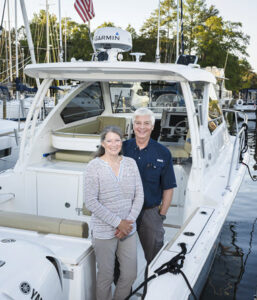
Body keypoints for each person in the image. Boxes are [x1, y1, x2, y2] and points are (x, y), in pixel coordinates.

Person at [84, 125, 144, 300]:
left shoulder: (130, 163)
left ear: (122, 142)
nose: (114, 144)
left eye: (117, 140)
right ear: (103, 143)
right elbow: (91, 202)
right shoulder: (93, 167)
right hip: (104, 232)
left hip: (128, 230)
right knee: (105, 276)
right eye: (109, 140)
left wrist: (128, 223)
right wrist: (119, 223)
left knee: (130, 273)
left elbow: (139, 195)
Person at [123, 107, 177, 264]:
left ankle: (154, 285)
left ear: (153, 126)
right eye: (138, 123)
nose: (141, 127)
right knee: (121, 258)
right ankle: (123, 287)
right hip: (124, 211)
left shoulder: (163, 153)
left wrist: (161, 215)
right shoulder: (122, 148)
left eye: (146, 123)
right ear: (133, 126)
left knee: (155, 256)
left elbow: (168, 188)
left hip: (150, 212)